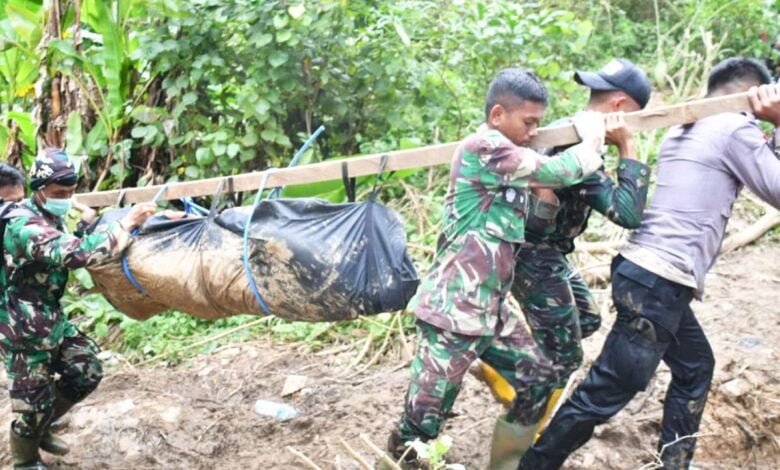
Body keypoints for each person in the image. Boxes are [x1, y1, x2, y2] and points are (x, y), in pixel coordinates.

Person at [518, 58, 780, 470]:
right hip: (659, 281)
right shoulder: (733, 127)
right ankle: (534, 465)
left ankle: (674, 463)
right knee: (604, 392)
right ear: (751, 97)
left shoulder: (687, 125)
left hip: (646, 275)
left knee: (695, 366)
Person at [385, 67, 607, 468]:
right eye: (529, 123)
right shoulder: (484, 147)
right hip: (452, 312)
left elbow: (538, 216)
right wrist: (593, 140)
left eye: (539, 124)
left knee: (538, 380)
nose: (533, 133)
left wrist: (547, 200)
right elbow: (557, 170)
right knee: (420, 428)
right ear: (498, 115)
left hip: (491, 312)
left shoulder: (510, 168)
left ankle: (506, 465)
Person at [473, 58, 652, 444]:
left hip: (549, 253)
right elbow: (626, 213)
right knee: (565, 358)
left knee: (586, 320)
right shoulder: (578, 142)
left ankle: (510, 374)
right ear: (621, 106)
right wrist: (630, 147)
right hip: (532, 256)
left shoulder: (575, 131)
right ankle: (520, 436)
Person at [0, 148, 157, 469]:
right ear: (39, 190)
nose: (67, 199)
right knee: (32, 407)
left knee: (86, 369)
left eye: (71, 193)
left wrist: (84, 226)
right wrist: (127, 223)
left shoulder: (44, 213)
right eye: (60, 194)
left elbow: (62, 242)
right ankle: (25, 459)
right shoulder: (21, 224)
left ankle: (41, 425)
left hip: (50, 320)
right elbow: (75, 255)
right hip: (20, 330)